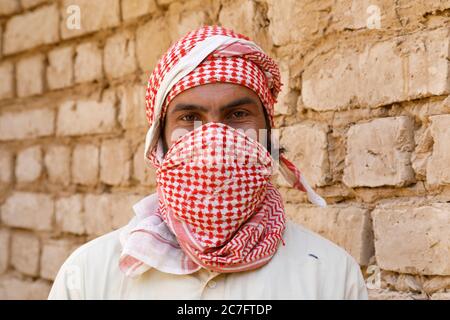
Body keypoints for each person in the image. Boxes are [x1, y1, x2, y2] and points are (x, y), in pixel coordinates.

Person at [48, 25, 368, 300]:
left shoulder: (331, 275)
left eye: (237, 114)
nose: (214, 136)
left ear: (268, 134)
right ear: (159, 142)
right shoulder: (89, 274)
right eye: (189, 117)